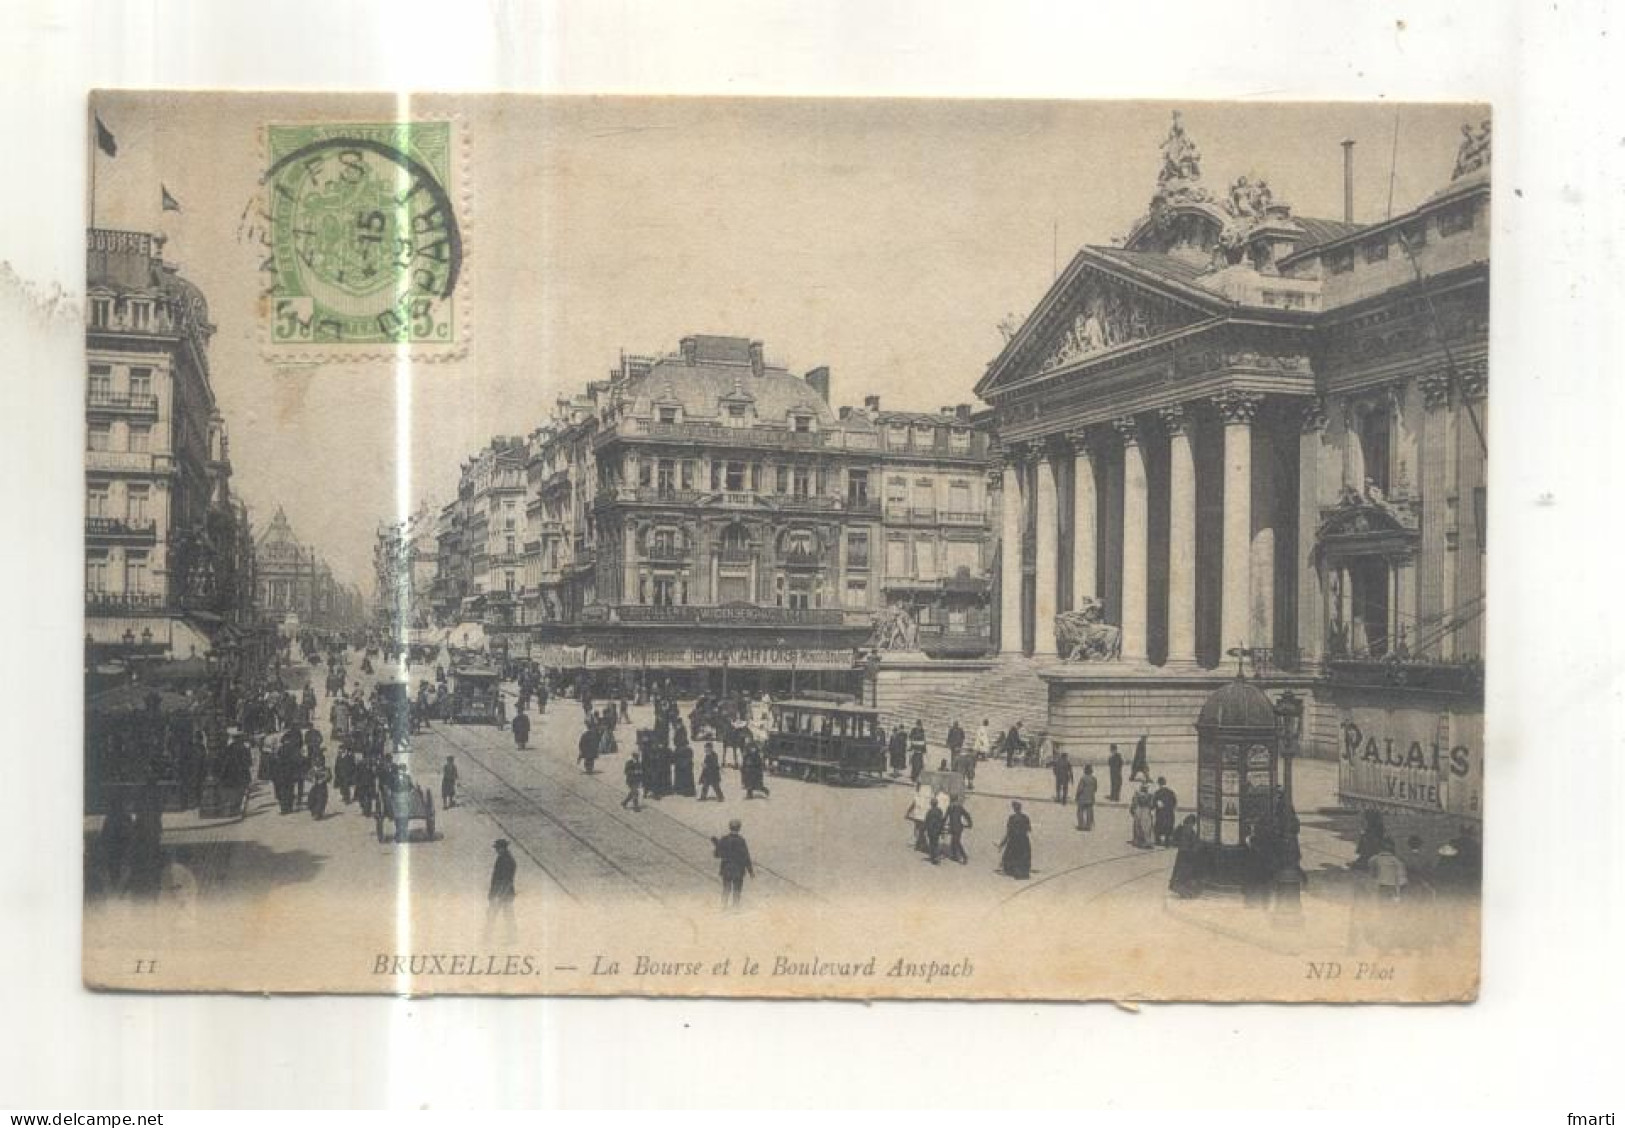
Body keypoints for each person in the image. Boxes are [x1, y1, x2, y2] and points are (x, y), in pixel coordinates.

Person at [712, 819, 755, 910]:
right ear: (739, 828)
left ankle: (723, 906)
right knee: (737, 889)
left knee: (726, 888)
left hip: (726, 868)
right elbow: (746, 857)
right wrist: (750, 871)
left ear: (729, 827)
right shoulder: (741, 841)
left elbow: (717, 855)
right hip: (738, 869)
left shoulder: (724, 839)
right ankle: (735, 907)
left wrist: (717, 844)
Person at [486, 839, 517, 943]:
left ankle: (488, 938)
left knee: (495, 915)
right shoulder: (504, 858)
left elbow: (505, 879)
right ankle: (511, 938)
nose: (496, 850)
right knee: (506, 915)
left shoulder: (506, 860)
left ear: (502, 848)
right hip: (504, 893)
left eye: (497, 848)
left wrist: (497, 895)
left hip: (503, 893)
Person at [1168, 814, 1204, 898]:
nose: (1191, 826)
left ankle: (1181, 889)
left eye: (1191, 824)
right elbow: (1193, 843)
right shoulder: (1189, 831)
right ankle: (1183, 890)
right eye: (1190, 824)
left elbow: (1174, 841)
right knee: (1185, 873)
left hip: (1183, 854)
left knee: (1181, 873)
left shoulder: (1182, 829)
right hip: (1187, 855)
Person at [997, 800, 1033, 880]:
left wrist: (1002, 843)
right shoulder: (1025, 817)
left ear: (1014, 809)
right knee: (1023, 856)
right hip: (1024, 840)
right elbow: (1029, 829)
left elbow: (1009, 832)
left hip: (1014, 840)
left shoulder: (1012, 818)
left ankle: (1011, 870)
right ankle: (1023, 871)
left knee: (1010, 855)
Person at [945, 795, 973, 864]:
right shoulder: (953, 807)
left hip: (957, 827)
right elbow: (967, 815)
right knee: (954, 841)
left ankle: (964, 856)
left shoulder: (955, 807)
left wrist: (970, 823)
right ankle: (955, 856)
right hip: (955, 827)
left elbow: (966, 815)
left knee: (956, 841)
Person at [1152, 776, 1178, 846]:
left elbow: (1153, 803)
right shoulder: (1170, 792)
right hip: (1169, 813)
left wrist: (1156, 806)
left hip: (1160, 813)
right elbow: (1174, 802)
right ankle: (1167, 840)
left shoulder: (1157, 793)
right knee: (1168, 826)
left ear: (1159, 784)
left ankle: (1158, 840)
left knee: (1159, 826)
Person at [1130, 781, 1155, 848]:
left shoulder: (1137, 794)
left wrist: (1132, 811)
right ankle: (1147, 841)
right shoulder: (1150, 795)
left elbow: (1134, 803)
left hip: (1139, 810)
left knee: (1138, 826)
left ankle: (1139, 841)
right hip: (1146, 811)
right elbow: (1152, 805)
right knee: (1147, 827)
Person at [1075, 764, 1098, 831]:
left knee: (1080, 811)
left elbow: (1080, 788)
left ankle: (1081, 825)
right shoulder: (1094, 779)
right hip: (1091, 797)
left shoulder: (1083, 778)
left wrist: (1077, 796)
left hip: (1082, 798)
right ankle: (1088, 826)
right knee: (1089, 812)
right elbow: (1095, 789)